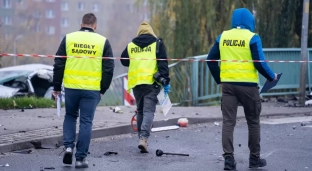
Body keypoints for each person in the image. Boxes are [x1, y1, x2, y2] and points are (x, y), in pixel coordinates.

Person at [207, 8, 277, 170]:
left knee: (228, 122)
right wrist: (271, 76)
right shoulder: (252, 38)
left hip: (228, 87)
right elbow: (259, 62)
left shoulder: (222, 37)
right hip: (249, 87)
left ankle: (229, 160)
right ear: (250, 22)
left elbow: (210, 60)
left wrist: (220, 79)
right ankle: (254, 159)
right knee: (253, 122)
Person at [52, 13, 114, 168]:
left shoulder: (69, 38)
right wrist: (103, 89)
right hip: (91, 90)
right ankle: (80, 159)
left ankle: (68, 147)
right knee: (86, 122)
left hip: (71, 87)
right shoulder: (103, 42)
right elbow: (108, 69)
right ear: (95, 26)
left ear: (81, 24)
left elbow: (59, 63)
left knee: (71, 116)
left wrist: (57, 87)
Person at [120, 22, 170, 153]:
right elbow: (163, 63)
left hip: (136, 83)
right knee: (148, 111)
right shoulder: (157, 43)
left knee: (141, 111)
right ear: (151, 31)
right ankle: (143, 139)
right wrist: (166, 80)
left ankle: (141, 139)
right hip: (151, 82)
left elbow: (123, 60)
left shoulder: (131, 45)